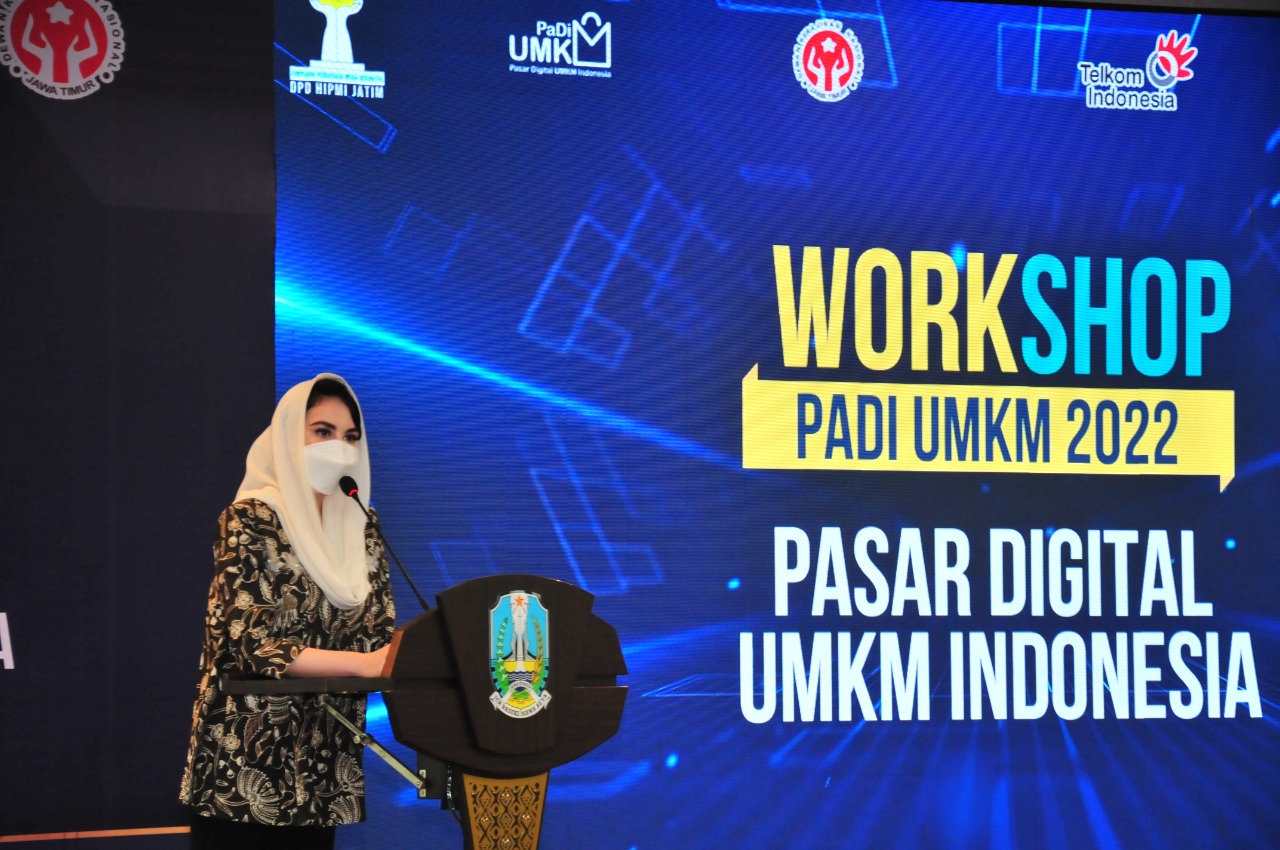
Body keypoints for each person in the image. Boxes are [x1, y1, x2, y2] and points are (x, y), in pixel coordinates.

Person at [179, 374, 396, 850]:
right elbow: (249, 644)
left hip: (323, 760)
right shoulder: (249, 519)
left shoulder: (361, 524)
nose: (340, 448)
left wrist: (390, 658)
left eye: (350, 436)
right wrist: (360, 664)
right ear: (287, 436)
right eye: (322, 431)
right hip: (245, 762)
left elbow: (379, 633)